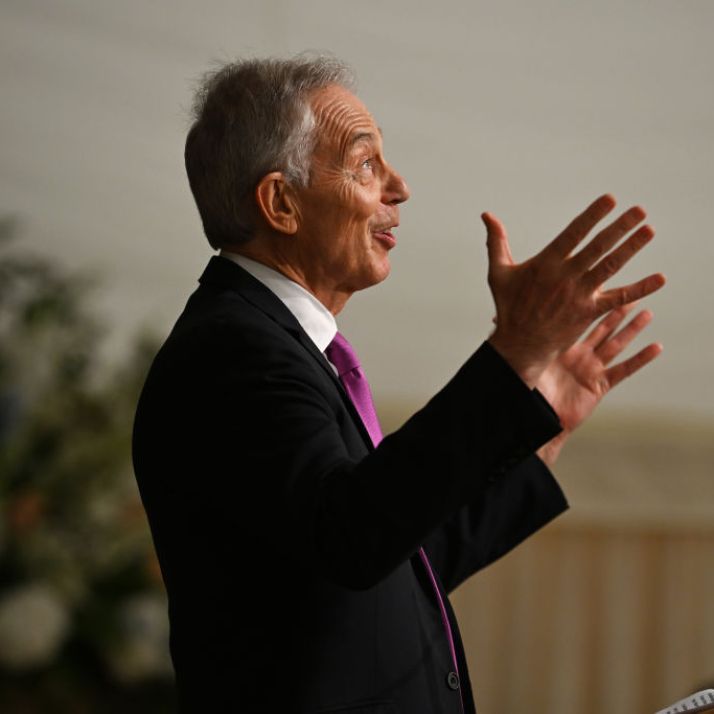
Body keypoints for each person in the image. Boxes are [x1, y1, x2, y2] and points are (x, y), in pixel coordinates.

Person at [132, 55, 665, 713]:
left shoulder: (276, 344)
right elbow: (353, 539)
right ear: (281, 203)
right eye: (365, 165)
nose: (400, 187)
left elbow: (394, 560)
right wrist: (513, 353)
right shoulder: (234, 352)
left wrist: (533, 428)